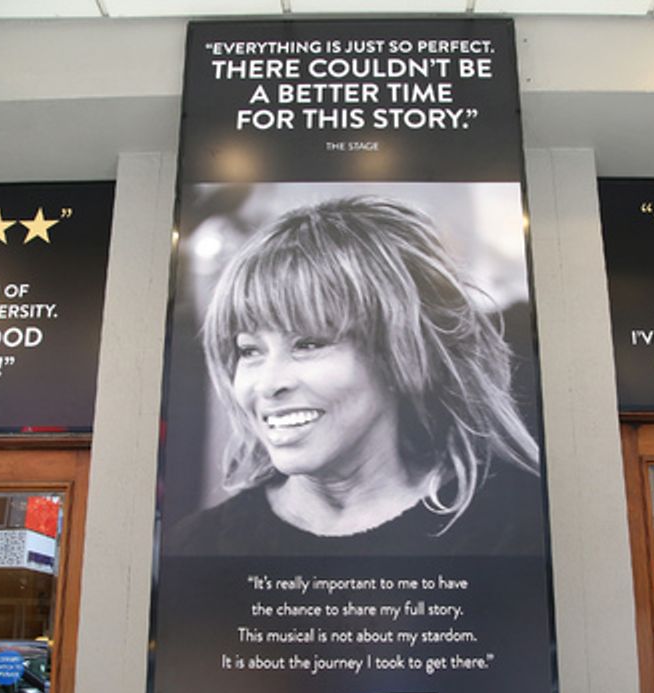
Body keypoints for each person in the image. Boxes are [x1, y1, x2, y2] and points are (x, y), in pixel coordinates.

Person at [170, 195, 543, 556]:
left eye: (308, 344)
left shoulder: (521, 529)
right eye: (250, 351)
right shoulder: (199, 547)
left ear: (399, 352)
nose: (268, 384)